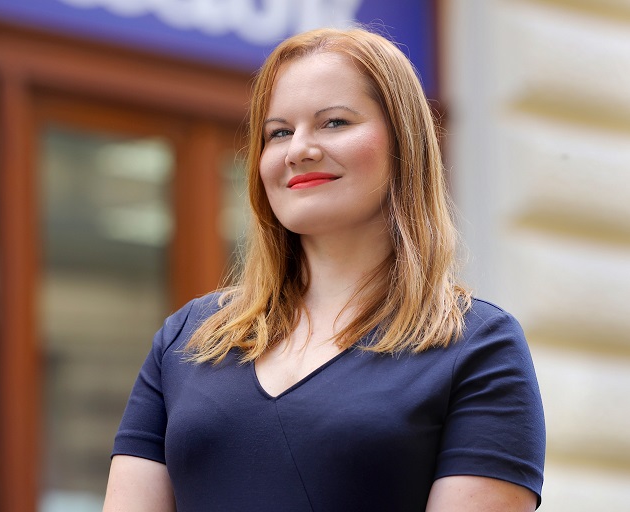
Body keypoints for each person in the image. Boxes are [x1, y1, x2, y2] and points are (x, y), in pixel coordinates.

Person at [103, 27, 545, 512]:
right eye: (278, 132)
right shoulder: (188, 338)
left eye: (334, 122)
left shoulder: (478, 347)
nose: (299, 150)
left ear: (403, 141)